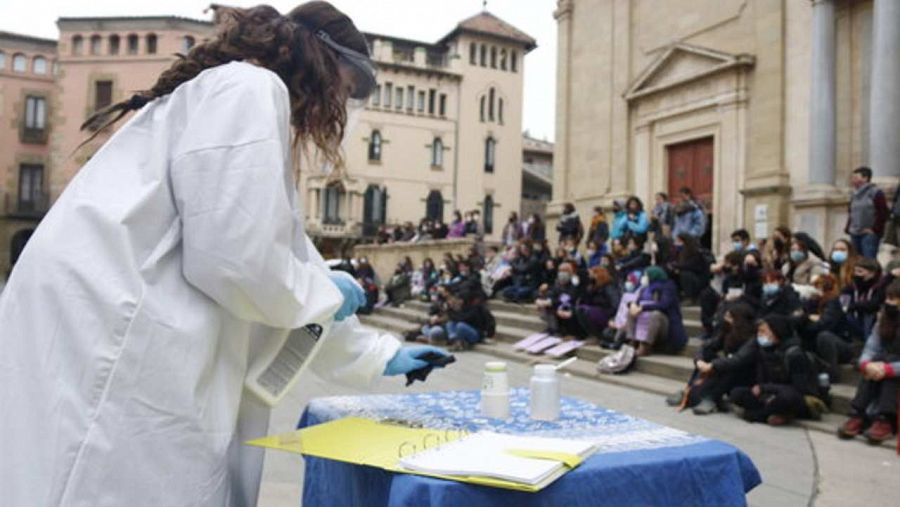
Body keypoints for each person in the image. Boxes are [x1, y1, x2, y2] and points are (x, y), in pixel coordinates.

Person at [0, 4, 453, 505]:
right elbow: (237, 261)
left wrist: (381, 354)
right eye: (343, 88)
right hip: (117, 342)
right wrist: (323, 290)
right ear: (319, 61)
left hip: (108, 331)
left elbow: (279, 252)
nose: (338, 105)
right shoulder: (250, 90)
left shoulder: (234, 96)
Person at [837, 280, 900, 444]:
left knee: (888, 362)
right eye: (888, 298)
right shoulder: (884, 319)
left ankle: (885, 418)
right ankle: (858, 413)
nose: (888, 303)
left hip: (894, 370)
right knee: (877, 360)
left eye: (893, 299)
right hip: (884, 367)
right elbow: (872, 346)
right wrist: (867, 364)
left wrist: (889, 369)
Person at [729, 314, 821, 426]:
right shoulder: (765, 350)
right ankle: (774, 414)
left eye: (763, 332)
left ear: (777, 332)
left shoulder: (795, 355)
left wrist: (766, 388)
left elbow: (799, 389)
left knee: (786, 398)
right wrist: (765, 392)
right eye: (759, 332)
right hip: (770, 394)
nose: (759, 335)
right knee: (737, 393)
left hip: (796, 398)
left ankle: (759, 415)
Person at [670, 303, 757, 414]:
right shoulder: (727, 332)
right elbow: (706, 346)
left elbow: (738, 359)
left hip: (744, 376)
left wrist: (713, 365)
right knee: (708, 355)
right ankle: (688, 389)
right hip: (727, 365)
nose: (725, 320)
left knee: (730, 367)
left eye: (729, 317)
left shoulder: (752, 340)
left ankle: (712, 398)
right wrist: (699, 360)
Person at [620, 266, 687, 356]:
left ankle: (646, 345)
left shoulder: (668, 286)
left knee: (655, 315)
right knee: (631, 313)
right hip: (644, 319)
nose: (643, 278)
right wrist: (632, 305)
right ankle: (632, 342)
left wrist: (643, 308)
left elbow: (664, 305)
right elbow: (638, 302)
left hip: (665, 323)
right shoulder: (645, 288)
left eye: (646, 275)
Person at [845, 166, 889, 259]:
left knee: (869, 259)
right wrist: (848, 227)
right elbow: (851, 212)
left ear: (865, 178)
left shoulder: (876, 193)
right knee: (856, 259)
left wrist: (875, 229)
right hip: (854, 232)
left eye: (856, 177)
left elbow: (883, 212)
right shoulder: (854, 195)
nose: (853, 180)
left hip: (869, 234)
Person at [535, 261, 584, 339]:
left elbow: (570, 297)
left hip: (570, 307)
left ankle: (569, 332)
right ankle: (553, 329)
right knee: (547, 306)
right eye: (560, 271)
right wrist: (543, 300)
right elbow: (553, 293)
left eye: (564, 271)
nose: (562, 273)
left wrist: (553, 302)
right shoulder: (558, 282)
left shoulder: (575, 283)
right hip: (559, 305)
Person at [843, 257, 886, 342]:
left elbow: (872, 305)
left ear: (872, 274)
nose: (856, 274)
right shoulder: (852, 287)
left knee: (869, 314)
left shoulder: (880, 288)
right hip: (855, 323)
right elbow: (843, 303)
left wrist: (853, 306)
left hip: (872, 324)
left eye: (860, 271)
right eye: (855, 271)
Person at [575, 266, 621, 340]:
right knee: (580, 309)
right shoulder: (594, 287)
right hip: (597, 310)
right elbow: (587, 301)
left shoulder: (609, 286)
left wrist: (611, 317)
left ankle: (597, 336)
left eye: (591, 274)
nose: (589, 276)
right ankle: (592, 335)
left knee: (585, 311)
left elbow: (615, 304)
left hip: (607, 313)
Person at [669, 233, 711, 301]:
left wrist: (676, 266)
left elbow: (690, 266)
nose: (676, 243)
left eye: (678, 241)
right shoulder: (678, 252)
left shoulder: (696, 252)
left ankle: (691, 297)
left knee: (685, 274)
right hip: (686, 274)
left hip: (698, 278)